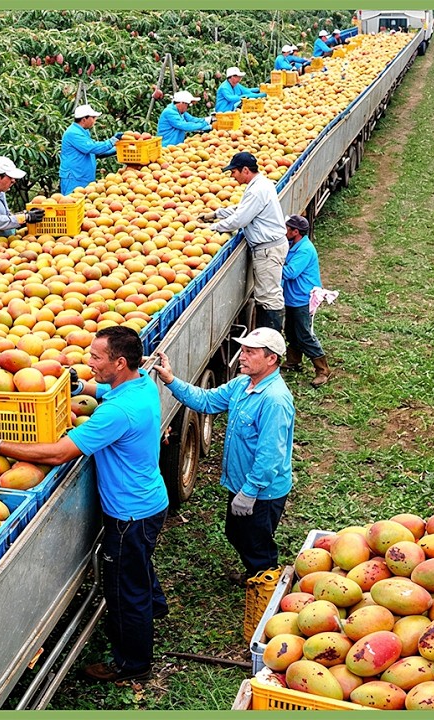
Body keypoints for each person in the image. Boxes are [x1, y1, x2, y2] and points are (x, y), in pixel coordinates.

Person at [0, 327, 168, 683]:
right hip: (148, 501)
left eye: (96, 357)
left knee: (122, 589)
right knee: (136, 565)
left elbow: (58, 453)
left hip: (129, 515)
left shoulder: (118, 413)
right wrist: (79, 388)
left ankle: (133, 663)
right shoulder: (140, 384)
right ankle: (154, 606)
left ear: (120, 362)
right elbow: (106, 391)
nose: (89, 362)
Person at [152, 328, 294, 583]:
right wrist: (171, 380)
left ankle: (266, 585)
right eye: (243, 350)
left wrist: (250, 492)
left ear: (271, 359)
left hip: (262, 491)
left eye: (250, 352)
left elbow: (270, 456)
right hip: (242, 483)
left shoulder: (275, 400)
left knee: (256, 542)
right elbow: (207, 401)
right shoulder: (243, 384)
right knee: (236, 532)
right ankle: (255, 574)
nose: (242, 356)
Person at [199, 152, 287, 330]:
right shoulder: (261, 184)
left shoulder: (257, 190)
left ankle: (270, 338)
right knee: (267, 294)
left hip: (268, 250)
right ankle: (268, 336)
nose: (232, 176)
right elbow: (242, 209)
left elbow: (239, 220)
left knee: (268, 296)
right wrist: (215, 214)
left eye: (234, 172)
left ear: (245, 170)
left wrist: (212, 228)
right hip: (269, 247)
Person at [281, 215, 330, 386]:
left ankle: (323, 370)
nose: (284, 231)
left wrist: (270, 264)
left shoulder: (304, 250)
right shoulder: (293, 244)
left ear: (296, 232)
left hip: (301, 298)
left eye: (287, 228)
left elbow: (290, 272)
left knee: (304, 335)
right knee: (291, 331)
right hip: (292, 297)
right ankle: (293, 362)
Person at [60, 104, 122, 195]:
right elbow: (91, 147)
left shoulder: (83, 131)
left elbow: (93, 153)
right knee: (72, 201)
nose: (95, 120)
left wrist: (117, 149)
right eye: (93, 118)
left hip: (83, 177)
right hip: (74, 178)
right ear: (84, 119)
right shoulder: (73, 133)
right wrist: (111, 142)